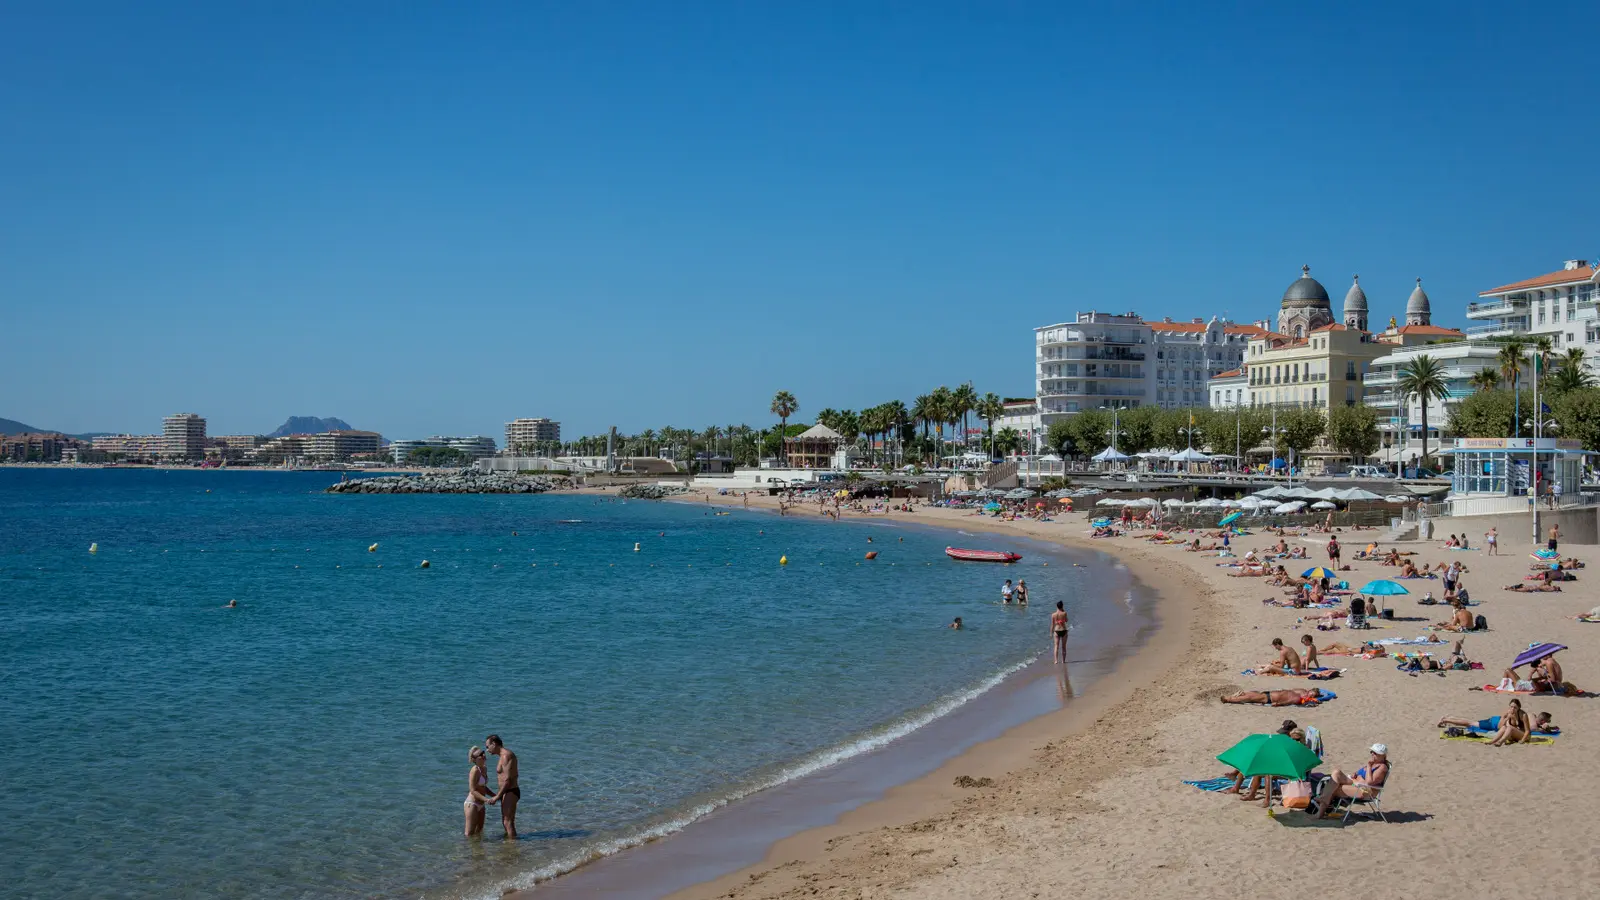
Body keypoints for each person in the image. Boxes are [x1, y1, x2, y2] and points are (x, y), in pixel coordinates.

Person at [1311, 744, 1389, 818]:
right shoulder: (1374, 763)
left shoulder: (1382, 767)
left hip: (1365, 791)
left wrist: (1368, 766)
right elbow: (1359, 774)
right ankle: (1324, 799)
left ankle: (1320, 810)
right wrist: (1355, 774)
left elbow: (1368, 782)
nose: (1372, 754)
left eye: (1375, 753)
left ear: (1383, 756)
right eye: (1371, 752)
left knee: (1333, 787)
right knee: (1336, 773)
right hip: (1355, 783)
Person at [485, 734, 519, 839]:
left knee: (507, 822)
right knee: (506, 821)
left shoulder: (506, 756)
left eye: (487, 746)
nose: (487, 750)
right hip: (506, 792)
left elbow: (508, 779)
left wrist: (497, 796)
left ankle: (513, 846)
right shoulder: (502, 756)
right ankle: (510, 844)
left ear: (494, 744)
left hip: (511, 791)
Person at [463, 746, 494, 837]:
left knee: (479, 832)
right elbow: (473, 790)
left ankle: (478, 851)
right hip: (472, 804)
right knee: (469, 834)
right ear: (474, 759)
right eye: (480, 755)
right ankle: (465, 850)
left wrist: (496, 795)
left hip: (481, 804)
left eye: (483, 752)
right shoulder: (474, 770)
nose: (484, 755)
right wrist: (486, 800)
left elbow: (483, 787)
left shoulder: (484, 768)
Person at [1220, 687, 1327, 706]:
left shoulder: (1299, 699)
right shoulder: (1301, 691)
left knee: (1249, 698)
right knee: (1250, 694)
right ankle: (1234, 696)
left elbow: (1288, 701)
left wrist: (1279, 704)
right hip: (1271, 693)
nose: (1310, 694)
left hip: (1271, 699)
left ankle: (1228, 699)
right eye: (1312, 692)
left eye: (1313, 695)